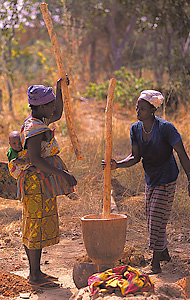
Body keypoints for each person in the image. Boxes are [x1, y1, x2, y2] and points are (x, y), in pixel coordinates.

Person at [102, 89, 190, 274]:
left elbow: (181, 154)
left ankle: (155, 264)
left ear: (152, 110)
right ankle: (164, 253)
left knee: (157, 219)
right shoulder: (135, 129)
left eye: (142, 109)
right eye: (137, 108)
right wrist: (116, 165)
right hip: (150, 178)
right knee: (152, 217)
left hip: (166, 178)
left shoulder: (166, 128)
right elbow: (135, 157)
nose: (138, 112)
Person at [17, 77, 77, 289]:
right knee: (35, 227)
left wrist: (60, 90)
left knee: (35, 226)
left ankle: (37, 272)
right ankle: (34, 276)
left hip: (37, 184)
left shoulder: (37, 121)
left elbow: (58, 113)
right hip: (36, 185)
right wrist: (63, 174)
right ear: (40, 106)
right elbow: (35, 160)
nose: (53, 108)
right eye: (50, 104)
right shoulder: (35, 130)